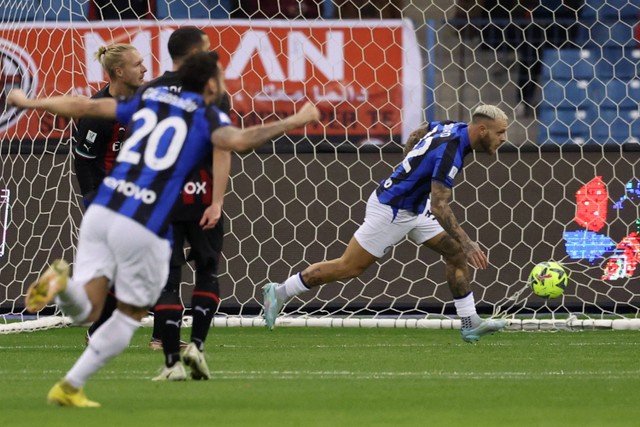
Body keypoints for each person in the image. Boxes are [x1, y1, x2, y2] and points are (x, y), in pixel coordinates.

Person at [11, 51, 320, 407]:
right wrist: (296, 118)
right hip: (144, 218)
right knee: (129, 316)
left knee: (88, 310)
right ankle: (73, 372)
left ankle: (64, 313)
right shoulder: (206, 116)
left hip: (103, 207)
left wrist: (29, 101)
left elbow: (84, 106)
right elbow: (240, 141)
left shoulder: (146, 98)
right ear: (209, 84)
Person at [263, 105, 509, 343]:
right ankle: (280, 292)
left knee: (453, 252)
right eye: (500, 132)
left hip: (413, 207)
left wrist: (409, 168)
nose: (504, 138)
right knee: (348, 267)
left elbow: (417, 133)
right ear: (482, 130)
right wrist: (468, 243)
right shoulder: (450, 152)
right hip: (393, 210)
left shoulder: (451, 126)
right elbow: (440, 206)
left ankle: (470, 323)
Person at [143, 27, 232, 381]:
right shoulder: (212, 90)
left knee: (167, 279)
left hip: (163, 198)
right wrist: (217, 202)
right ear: (196, 51)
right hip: (202, 195)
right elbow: (222, 148)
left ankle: (170, 364)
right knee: (207, 271)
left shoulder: (150, 91)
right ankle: (196, 345)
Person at [74, 44, 147, 341]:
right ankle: (95, 324)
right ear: (119, 71)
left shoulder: (146, 101)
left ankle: (98, 321)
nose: (145, 68)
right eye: (138, 63)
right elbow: (84, 160)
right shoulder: (98, 111)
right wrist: (92, 201)